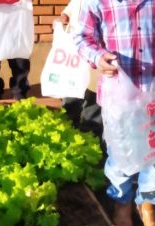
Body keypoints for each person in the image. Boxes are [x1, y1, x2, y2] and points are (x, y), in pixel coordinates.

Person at [74, 1, 155, 226]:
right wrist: (98, 57)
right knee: (120, 153)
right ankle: (121, 203)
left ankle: (147, 205)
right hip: (119, 93)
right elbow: (82, 37)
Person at [60, 0, 103, 139]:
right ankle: (70, 131)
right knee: (71, 92)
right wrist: (67, 12)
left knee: (93, 96)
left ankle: (90, 138)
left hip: (97, 50)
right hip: (76, 50)